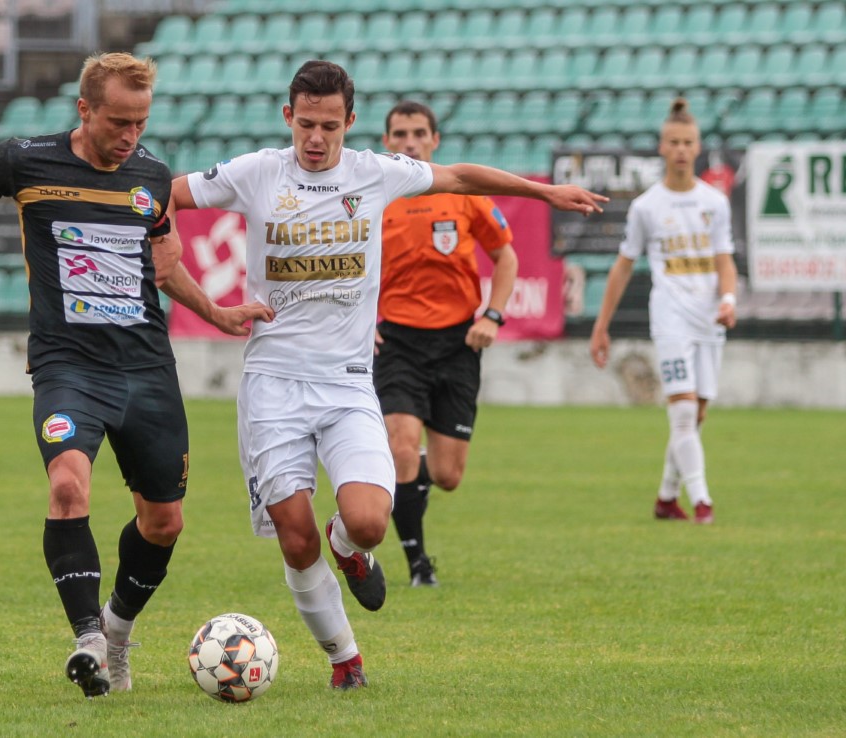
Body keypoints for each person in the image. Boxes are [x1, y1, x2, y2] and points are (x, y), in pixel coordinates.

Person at [0, 52, 268, 698]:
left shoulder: (152, 176)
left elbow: (163, 264)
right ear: (84, 109)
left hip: (147, 369)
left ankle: (117, 629)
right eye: (119, 122)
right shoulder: (27, 160)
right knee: (68, 486)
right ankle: (88, 640)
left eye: (140, 122)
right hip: (68, 366)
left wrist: (216, 311)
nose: (130, 135)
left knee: (164, 523)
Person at [171, 60, 604, 689]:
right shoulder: (257, 172)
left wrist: (545, 193)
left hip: (348, 380)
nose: (316, 138)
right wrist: (192, 286)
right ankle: (345, 661)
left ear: (349, 122)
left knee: (370, 520)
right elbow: (165, 196)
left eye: (329, 126)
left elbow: (460, 176)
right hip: (273, 383)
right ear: (288, 116)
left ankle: (348, 547)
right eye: (305, 124)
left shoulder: (374, 172)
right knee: (295, 538)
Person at [375, 101, 520, 588]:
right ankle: (418, 564)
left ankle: (413, 469)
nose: (410, 142)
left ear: (435, 140)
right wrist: (359, 323)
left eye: (419, 133)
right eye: (400, 134)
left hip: (457, 343)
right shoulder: (372, 198)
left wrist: (492, 316)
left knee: (448, 475)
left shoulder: (463, 193)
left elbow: (506, 257)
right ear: (386, 142)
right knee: (400, 447)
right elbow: (346, 265)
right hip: (397, 342)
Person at [589, 98, 737, 525]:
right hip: (670, 317)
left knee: (697, 414)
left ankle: (666, 498)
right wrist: (601, 326)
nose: (681, 150)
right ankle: (703, 503)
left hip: (708, 318)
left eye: (688, 142)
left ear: (698, 146)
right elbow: (623, 266)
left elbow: (725, 260)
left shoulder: (715, 202)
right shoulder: (647, 206)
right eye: (674, 142)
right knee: (684, 412)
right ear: (661, 147)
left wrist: (728, 300)